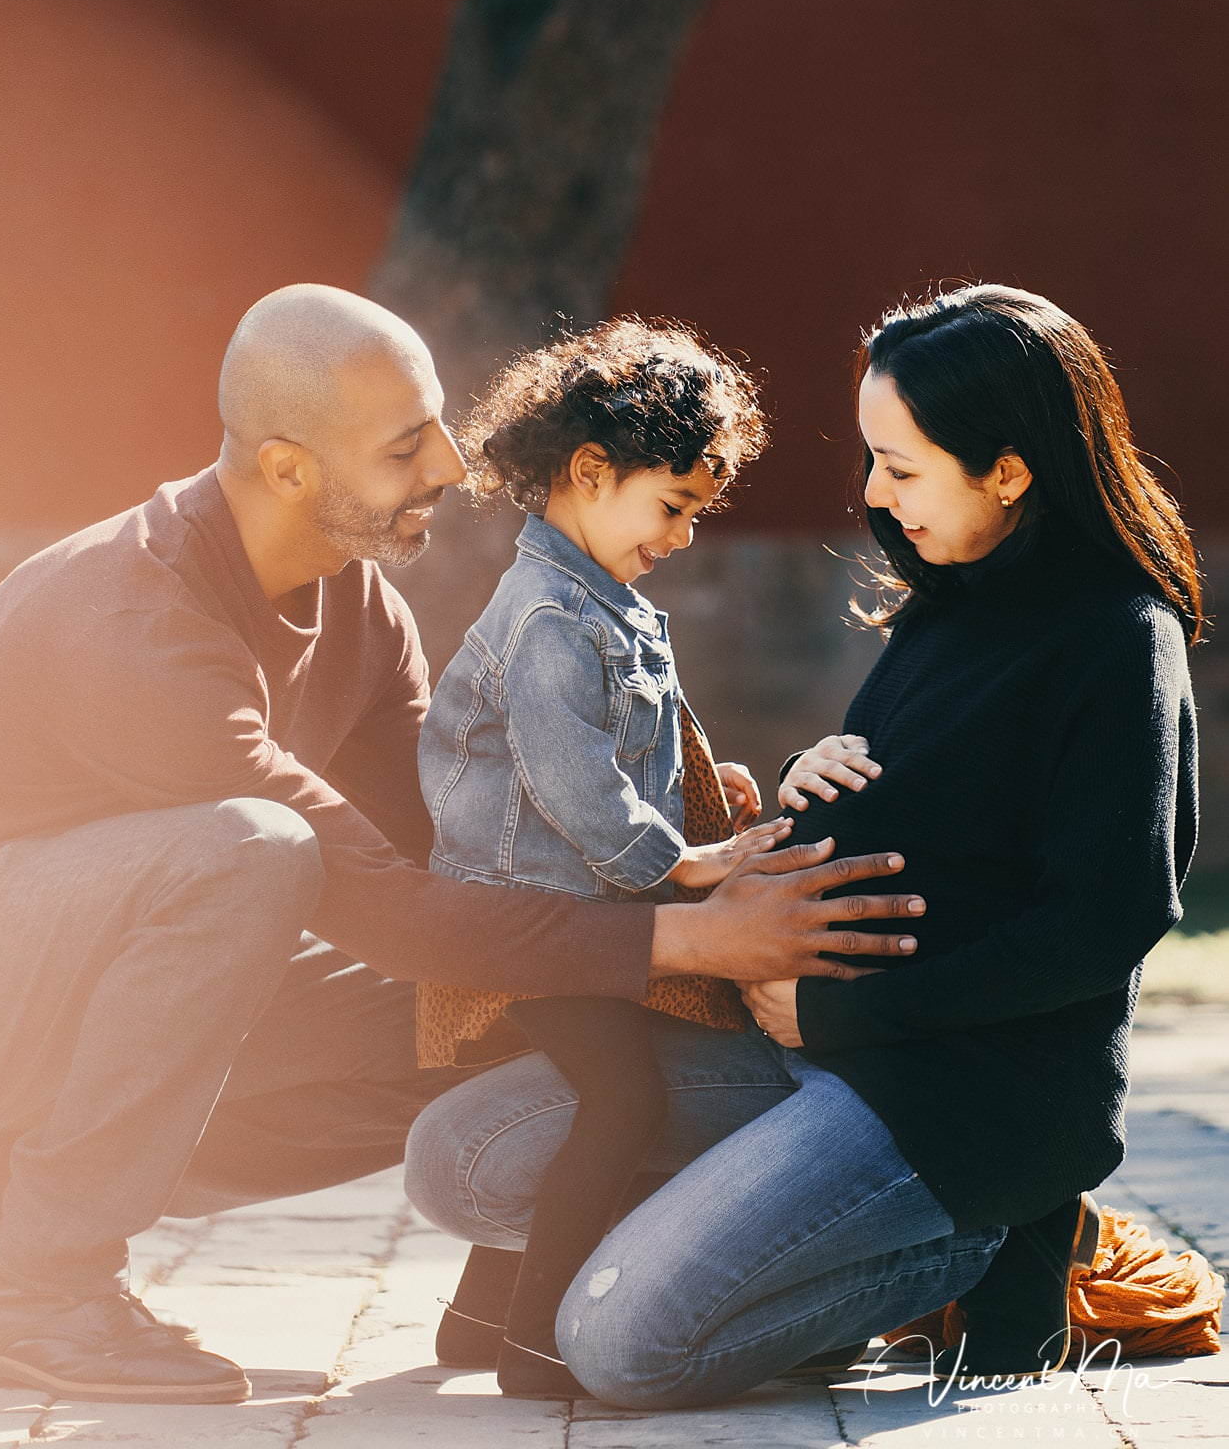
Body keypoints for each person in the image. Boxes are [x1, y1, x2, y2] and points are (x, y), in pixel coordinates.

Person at [0, 283, 925, 1406]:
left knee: (480, 985)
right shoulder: (132, 622)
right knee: (255, 849)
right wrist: (690, 938)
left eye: (434, 421)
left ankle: (46, 1195)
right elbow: (374, 898)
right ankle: (43, 1290)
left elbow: (463, 854)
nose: (449, 462)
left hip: (57, 977)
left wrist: (678, 835)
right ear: (288, 467)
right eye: (403, 445)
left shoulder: (356, 605)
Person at [404, 283, 1199, 1407]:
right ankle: (784, 1246)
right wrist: (798, 781)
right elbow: (919, 793)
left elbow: (1098, 926)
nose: (872, 492)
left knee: (619, 1343)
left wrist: (838, 1010)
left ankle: (985, 1243)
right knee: (456, 1161)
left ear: (1009, 470)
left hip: (953, 1094)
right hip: (810, 1056)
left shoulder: (1119, 641)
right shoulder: (949, 599)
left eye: (901, 466)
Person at [414, 318, 814, 1396]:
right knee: (625, 1097)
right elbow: (576, 785)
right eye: (672, 504)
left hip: (568, 907)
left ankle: (476, 1313)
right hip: (526, 922)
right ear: (591, 471)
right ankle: (539, 1347)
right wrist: (684, 864)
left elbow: (628, 742)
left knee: (622, 1069)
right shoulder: (548, 614)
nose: (683, 534)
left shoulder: (602, 599)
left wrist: (704, 783)